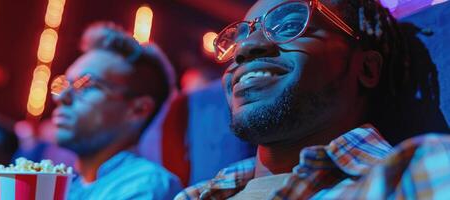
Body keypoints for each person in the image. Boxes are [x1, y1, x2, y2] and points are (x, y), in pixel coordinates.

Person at [176, 0, 450, 199]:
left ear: (366, 69)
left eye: (290, 24)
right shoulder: (195, 194)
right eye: (238, 39)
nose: (244, 49)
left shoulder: (417, 173)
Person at [51, 21, 182, 199]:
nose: (61, 97)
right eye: (65, 84)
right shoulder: (68, 186)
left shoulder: (147, 186)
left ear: (138, 110)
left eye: (87, 85)